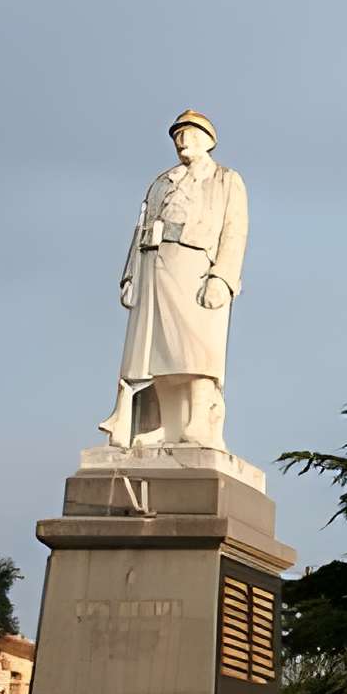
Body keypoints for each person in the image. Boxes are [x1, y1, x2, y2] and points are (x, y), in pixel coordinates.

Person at [100, 109, 249, 453]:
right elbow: (140, 227)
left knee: (196, 347)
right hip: (154, 263)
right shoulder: (161, 181)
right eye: (178, 135)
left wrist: (222, 278)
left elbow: (235, 231)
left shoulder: (225, 179)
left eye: (192, 134)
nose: (183, 141)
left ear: (209, 140)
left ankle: (199, 421)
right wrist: (130, 274)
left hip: (196, 264)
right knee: (155, 350)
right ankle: (165, 425)